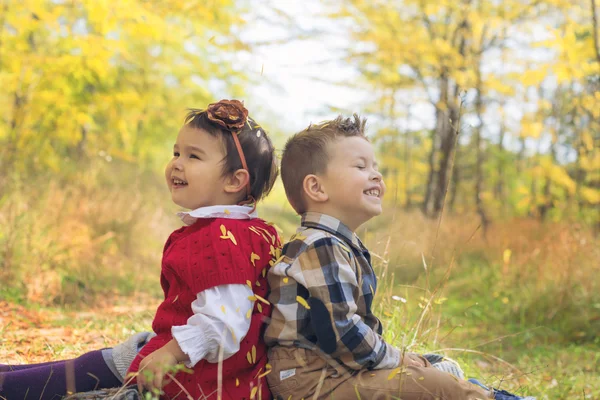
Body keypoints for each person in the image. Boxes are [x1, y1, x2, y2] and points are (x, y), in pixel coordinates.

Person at [1, 99, 280, 400]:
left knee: (63, 378)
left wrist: (170, 353)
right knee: (82, 367)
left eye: (194, 156)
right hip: (190, 364)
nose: (176, 163)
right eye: (176, 152)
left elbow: (224, 324)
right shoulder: (253, 232)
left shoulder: (222, 237)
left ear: (234, 181)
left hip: (193, 379)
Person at [263, 115, 535, 400]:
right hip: (311, 381)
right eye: (360, 166)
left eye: (375, 167)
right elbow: (340, 332)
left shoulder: (336, 243)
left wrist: (405, 359)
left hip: (333, 370)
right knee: (431, 384)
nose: (376, 175)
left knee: (432, 368)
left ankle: (464, 386)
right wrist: (397, 359)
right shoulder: (319, 245)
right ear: (317, 188)